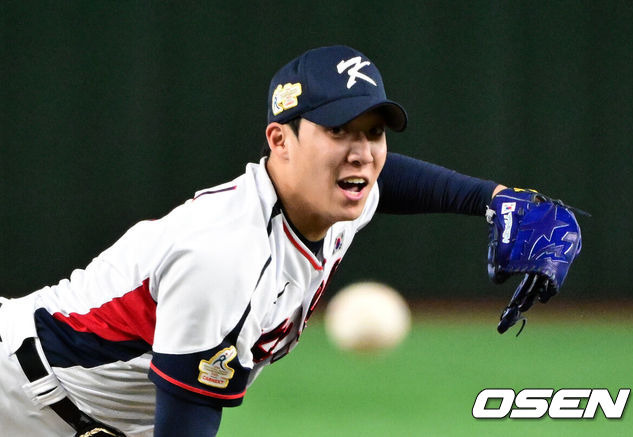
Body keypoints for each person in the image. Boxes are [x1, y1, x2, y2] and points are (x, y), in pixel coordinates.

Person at [2, 44, 548, 437]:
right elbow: (187, 422)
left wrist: (499, 198)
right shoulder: (224, 257)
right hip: (18, 397)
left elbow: (393, 179)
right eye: (338, 131)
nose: (362, 154)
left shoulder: (333, 198)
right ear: (279, 140)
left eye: (374, 131)